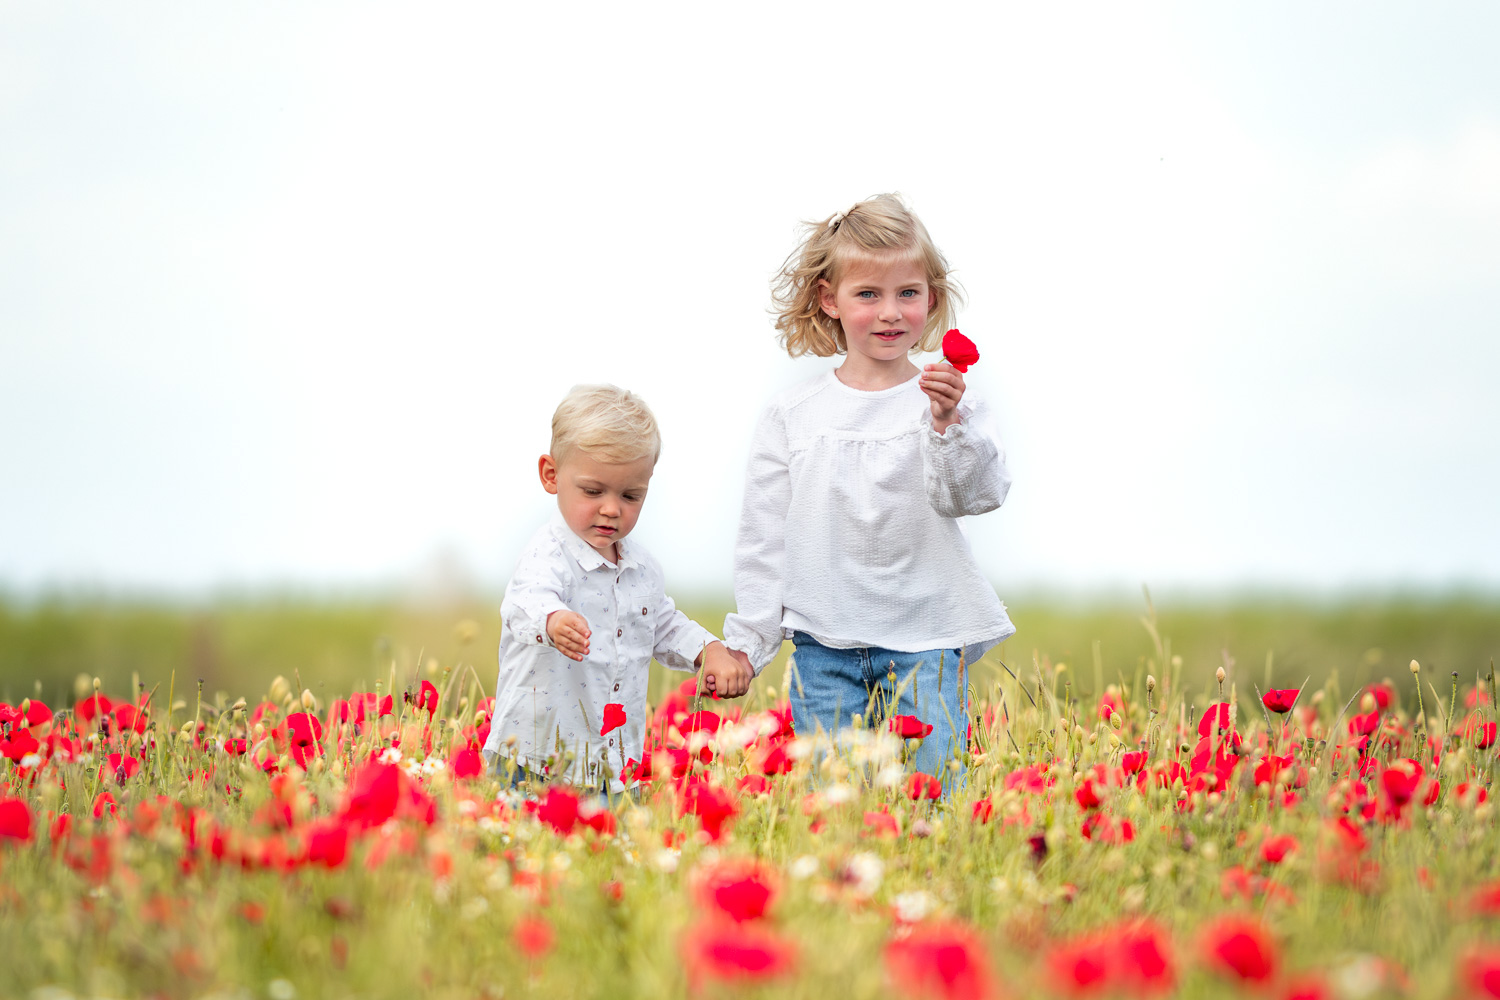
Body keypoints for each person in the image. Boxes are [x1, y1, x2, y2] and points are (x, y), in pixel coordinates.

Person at [722, 193, 1014, 786]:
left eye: (908, 293)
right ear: (830, 300)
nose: (890, 313)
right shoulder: (794, 414)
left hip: (927, 634)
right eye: (868, 294)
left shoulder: (946, 397)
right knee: (837, 800)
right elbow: (764, 537)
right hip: (824, 640)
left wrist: (946, 426)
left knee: (935, 792)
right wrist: (750, 643)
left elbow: (976, 495)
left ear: (931, 296)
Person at [484, 384, 753, 792]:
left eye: (631, 495)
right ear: (551, 475)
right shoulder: (548, 553)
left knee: (602, 847)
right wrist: (553, 620)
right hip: (535, 753)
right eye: (593, 491)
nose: (612, 509)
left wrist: (708, 650)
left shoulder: (641, 568)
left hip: (608, 759)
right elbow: (524, 603)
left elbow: (662, 623)